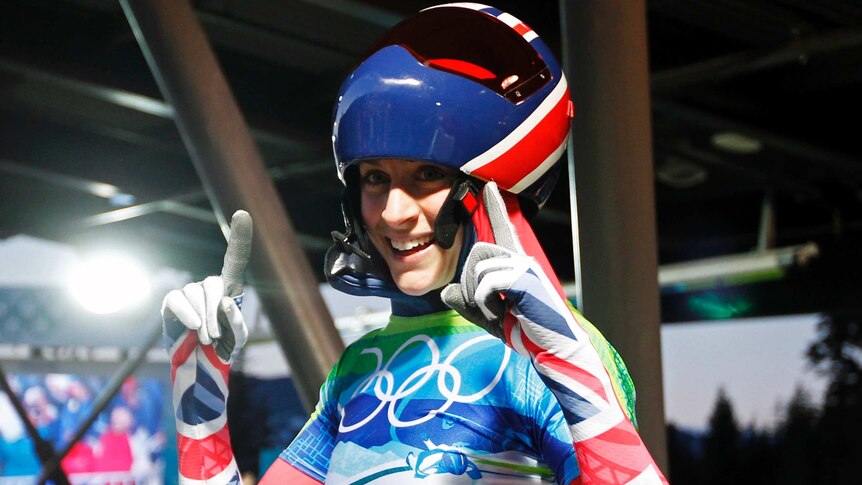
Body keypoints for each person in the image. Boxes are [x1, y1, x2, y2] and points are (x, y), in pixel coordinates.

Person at [161, 4, 667, 484]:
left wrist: (573, 370)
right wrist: (199, 408)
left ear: (498, 188)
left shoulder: (549, 352)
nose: (392, 213)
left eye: (427, 174)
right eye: (375, 177)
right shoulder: (357, 366)